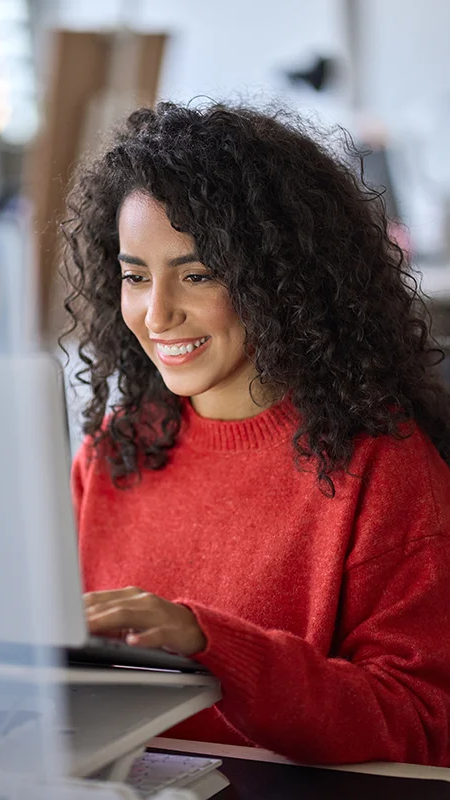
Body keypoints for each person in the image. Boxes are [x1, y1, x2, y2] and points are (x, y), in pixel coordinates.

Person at [63, 101, 450, 766]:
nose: (157, 313)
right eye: (134, 276)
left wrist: (206, 639)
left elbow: (419, 723)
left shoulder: (383, 469)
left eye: (196, 274)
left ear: (279, 279)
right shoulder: (112, 451)